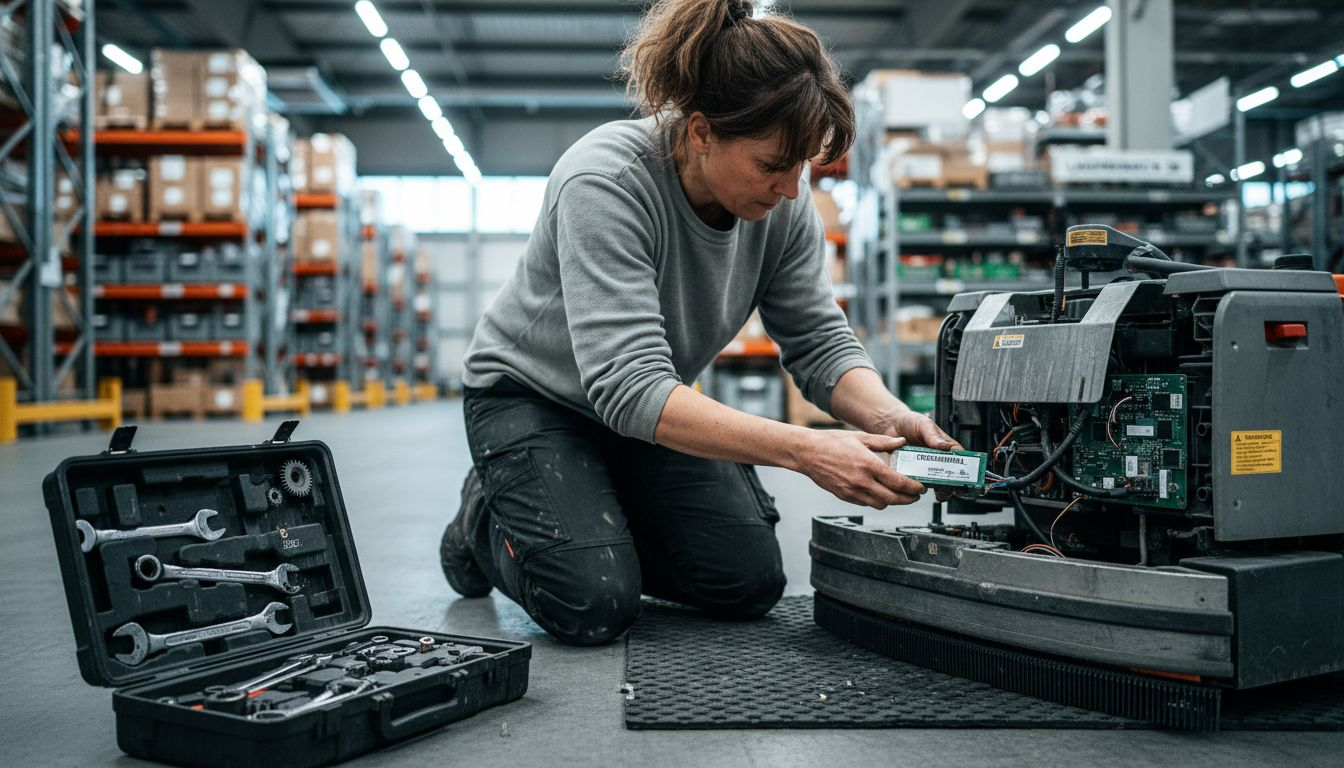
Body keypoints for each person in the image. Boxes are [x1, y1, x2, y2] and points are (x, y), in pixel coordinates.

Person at [440, 0, 959, 645]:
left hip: (644, 414)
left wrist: (888, 416)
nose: (792, 190)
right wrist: (807, 449)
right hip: (532, 399)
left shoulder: (783, 208)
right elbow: (629, 386)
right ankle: (485, 518)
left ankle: (581, 510)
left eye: (801, 167)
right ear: (700, 131)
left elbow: (819, 340)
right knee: (592, 600)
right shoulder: (606, 180)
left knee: (745, 584)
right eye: (773, 166)